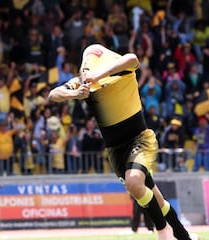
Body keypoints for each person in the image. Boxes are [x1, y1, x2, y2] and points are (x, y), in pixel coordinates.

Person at [48, 44, 199, 240]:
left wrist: (98, 75)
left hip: (140, 139)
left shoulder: (120, 70)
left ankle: (163, 233)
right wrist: (74, 94)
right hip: (115, 150)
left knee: (134, 182)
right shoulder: (82, 83)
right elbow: (53, 94)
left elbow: (133, 59)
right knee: (157, 200)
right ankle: (184, 236)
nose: (86, 70)